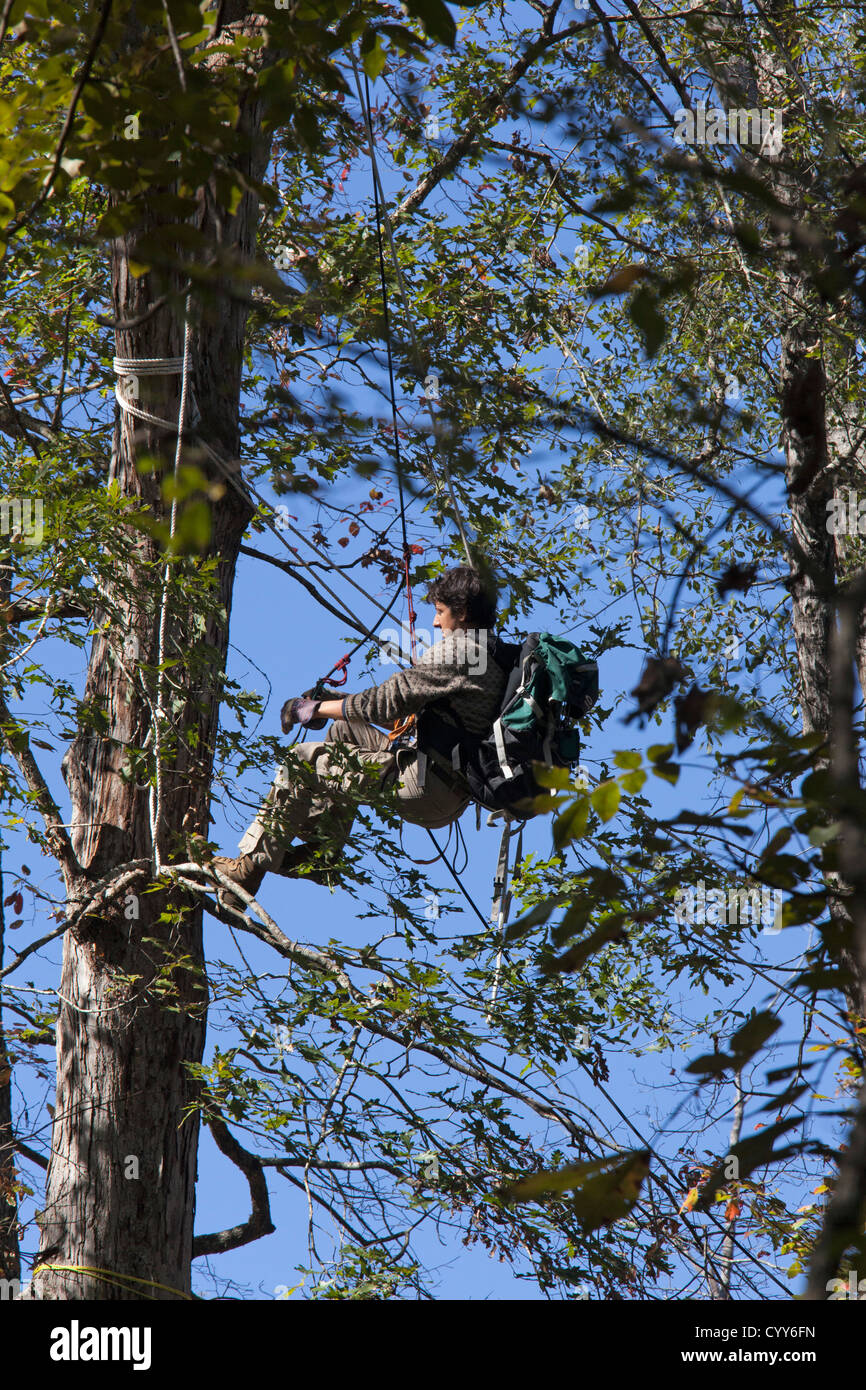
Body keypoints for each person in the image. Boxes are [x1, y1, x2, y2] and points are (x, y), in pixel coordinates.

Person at [211, 565, 507, 905]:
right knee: (344, 730)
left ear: (464, 612)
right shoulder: (492, 658)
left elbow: (386, 702)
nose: (436, 623)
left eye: (440, 613)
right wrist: (337, 705)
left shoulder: (460, 652)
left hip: (426, 786)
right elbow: (402, 711)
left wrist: (312, 709)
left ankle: (247, 872)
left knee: (301, 762)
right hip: (443, 786)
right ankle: (323, 852)